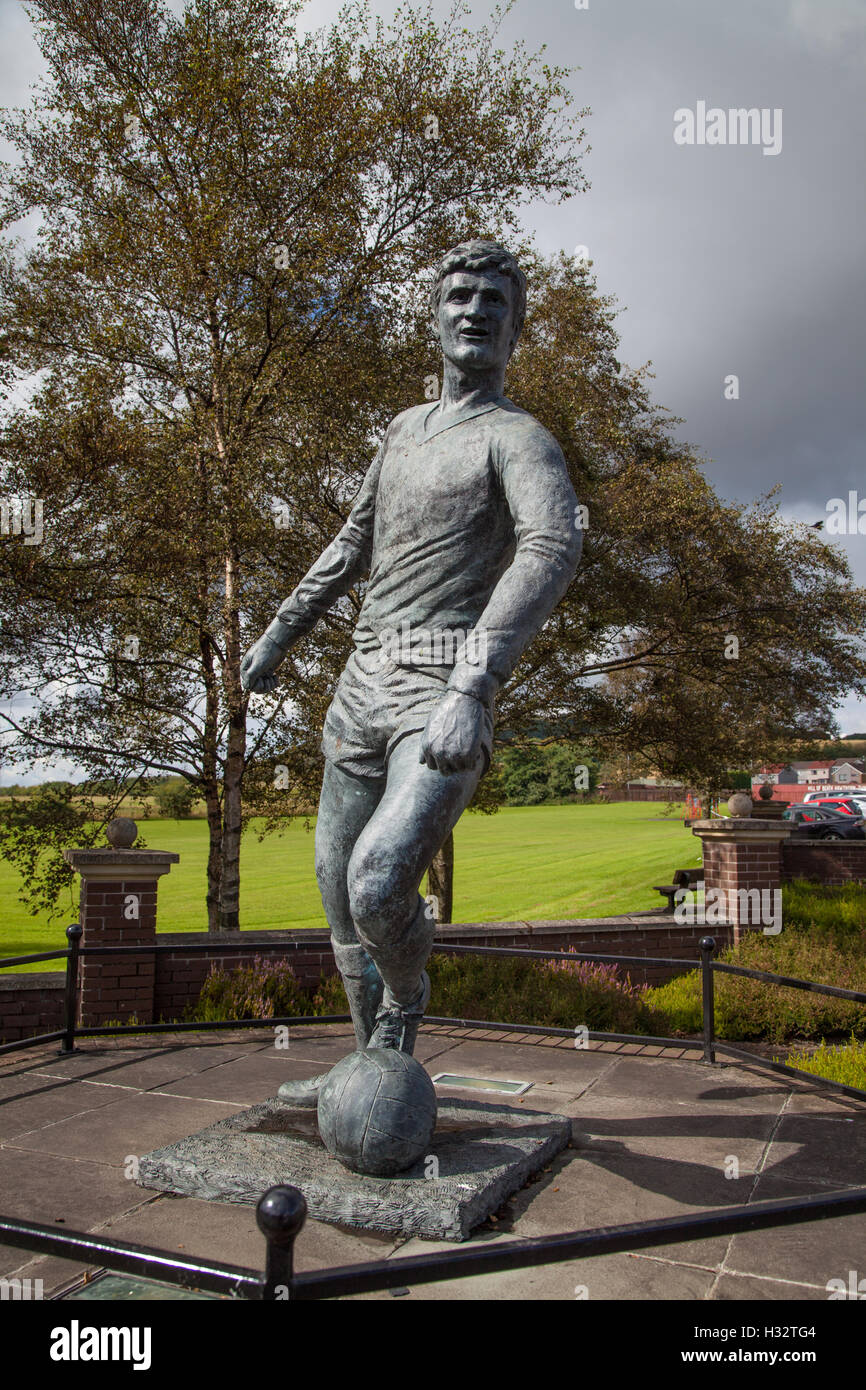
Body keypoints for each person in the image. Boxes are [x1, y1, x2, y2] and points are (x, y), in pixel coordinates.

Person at [240, 240, 581, 1105]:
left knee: (379, 880)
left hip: (440, 692)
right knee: (334, 896)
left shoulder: (520, 440)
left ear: (516, 327)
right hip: (358, 687)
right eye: (460, 295)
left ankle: (409, 996)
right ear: (433, 318)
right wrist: (278, 638)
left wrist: (474, 686)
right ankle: (371, 1066)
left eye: (495, 302)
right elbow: (353, 543)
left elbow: (550, 547)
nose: (476, 311)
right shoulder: (399, 431)